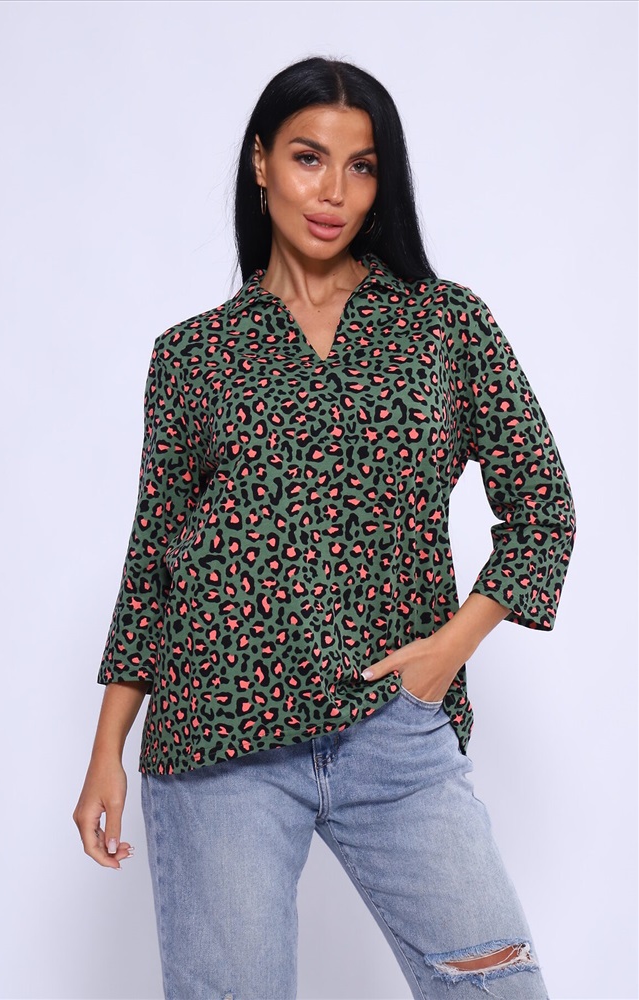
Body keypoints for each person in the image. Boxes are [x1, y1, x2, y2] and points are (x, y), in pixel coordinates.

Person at [73, 55, 576, 1000]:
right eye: (309, 158)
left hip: (394, 733)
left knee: (498, 986)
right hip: (217, 736)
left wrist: (446, 652)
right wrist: (106, 751)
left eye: (362, 166)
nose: (334, 192)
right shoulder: (192, 356)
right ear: (260, 162)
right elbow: (152, 566)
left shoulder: (444, 325)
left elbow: (543, 510)